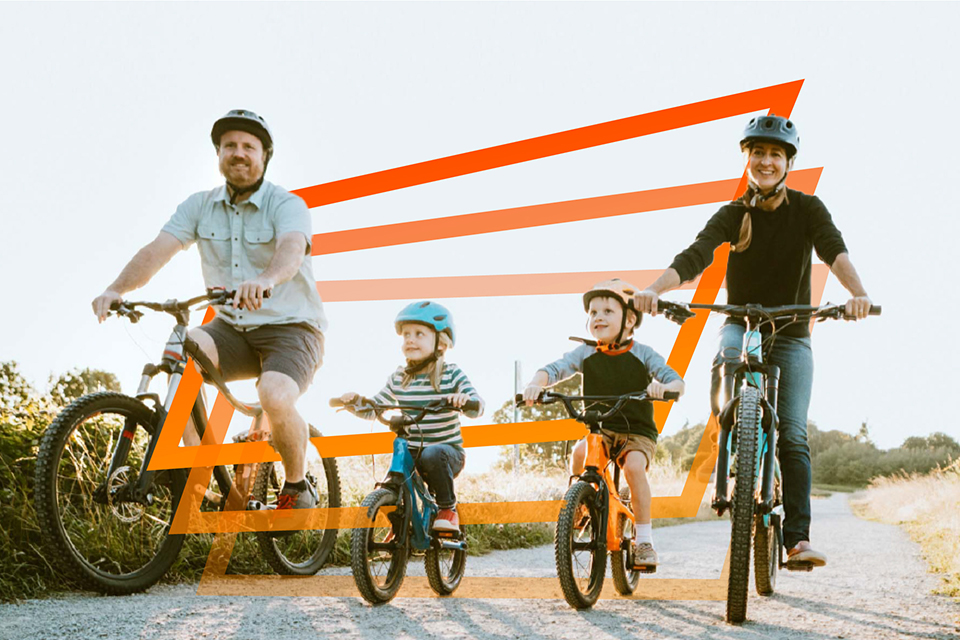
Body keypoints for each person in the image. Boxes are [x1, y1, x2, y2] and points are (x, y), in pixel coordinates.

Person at [634, 115, 873, 567]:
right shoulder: (732, 214)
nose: (765, 161)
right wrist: (654, 289)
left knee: (795, 435)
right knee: (725, 362)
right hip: (740, 323)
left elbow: (833, 249)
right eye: (757, 153)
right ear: (747, 159)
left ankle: (797, 540)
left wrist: (857, 294)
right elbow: (696, 255)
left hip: (792, 332)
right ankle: (734, 433)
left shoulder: (808, 210)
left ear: (787, 163)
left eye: (775, 154)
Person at [91, 109, 328, 511]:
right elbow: (156, 251)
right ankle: (205, 478)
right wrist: (116, 288)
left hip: (292, 328)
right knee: (180, 353)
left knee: (273, 393)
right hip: (232, 329)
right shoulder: (198, 206)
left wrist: (265, 281)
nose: (238, 153)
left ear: (264, 157)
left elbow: (291, 251)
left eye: (248, 146)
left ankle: (297, 485)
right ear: (218, 154)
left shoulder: (287, 204)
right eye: (229, 145)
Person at [523, 279, 685, 569]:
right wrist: (537, 383)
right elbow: (555, 368)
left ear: (630, 319)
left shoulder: (642, 353)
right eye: (593, 312)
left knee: (634, 468)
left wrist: (665, 387)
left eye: (608, 311)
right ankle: (582, 505)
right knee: (578, 454)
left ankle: (644, 539)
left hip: (637, 431)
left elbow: (675, 380)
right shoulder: (586, 353)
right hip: (601, 429)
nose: (598, 317)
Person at [338, 301, 484, 533]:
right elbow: (376, 406)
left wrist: (464, 400)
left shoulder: (451, 374)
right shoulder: (399, 377)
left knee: (432, 453)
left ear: (440, 342)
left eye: (418, 334)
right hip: (413, 453)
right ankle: (400, 530)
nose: (410, 339)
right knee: (393, 475)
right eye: (406, 335)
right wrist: (355, 403)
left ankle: (448, 508)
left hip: (445, 455)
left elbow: (477, 406)